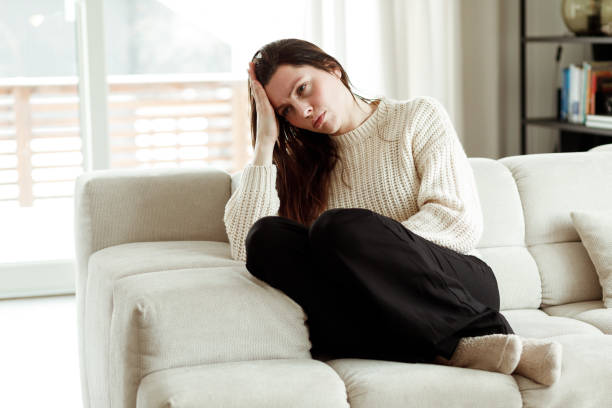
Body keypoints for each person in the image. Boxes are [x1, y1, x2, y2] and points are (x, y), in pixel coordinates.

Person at [223, 38, 562, 386]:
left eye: (303, 89)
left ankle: (478, 330)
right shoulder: (305, 167)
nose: (303, 111)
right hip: (372, 305)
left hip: (454, 283)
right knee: (267, 238)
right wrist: (265, 142)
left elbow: (458, 220)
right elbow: (244, 247)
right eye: (286, 110)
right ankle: (457, 349)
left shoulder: (416, 117)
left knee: (337, 229)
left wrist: (368, 250)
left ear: (332, 68)